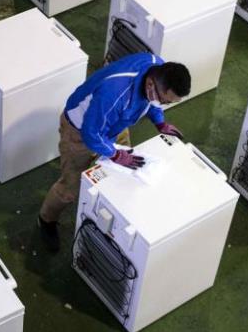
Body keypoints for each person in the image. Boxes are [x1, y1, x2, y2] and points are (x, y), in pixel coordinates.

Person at [37, 53, 191, 252]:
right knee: (70, 187)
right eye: (164, 100)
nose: (163, 104)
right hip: (80, 132)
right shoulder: (115, 92)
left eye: (168, 103)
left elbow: (152, 103)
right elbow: (91, 134)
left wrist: (160, 121)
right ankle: (46, 220)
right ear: (151, 85)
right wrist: (117, 155)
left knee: (122, 172)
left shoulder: (159, 69)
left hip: (117, 122)